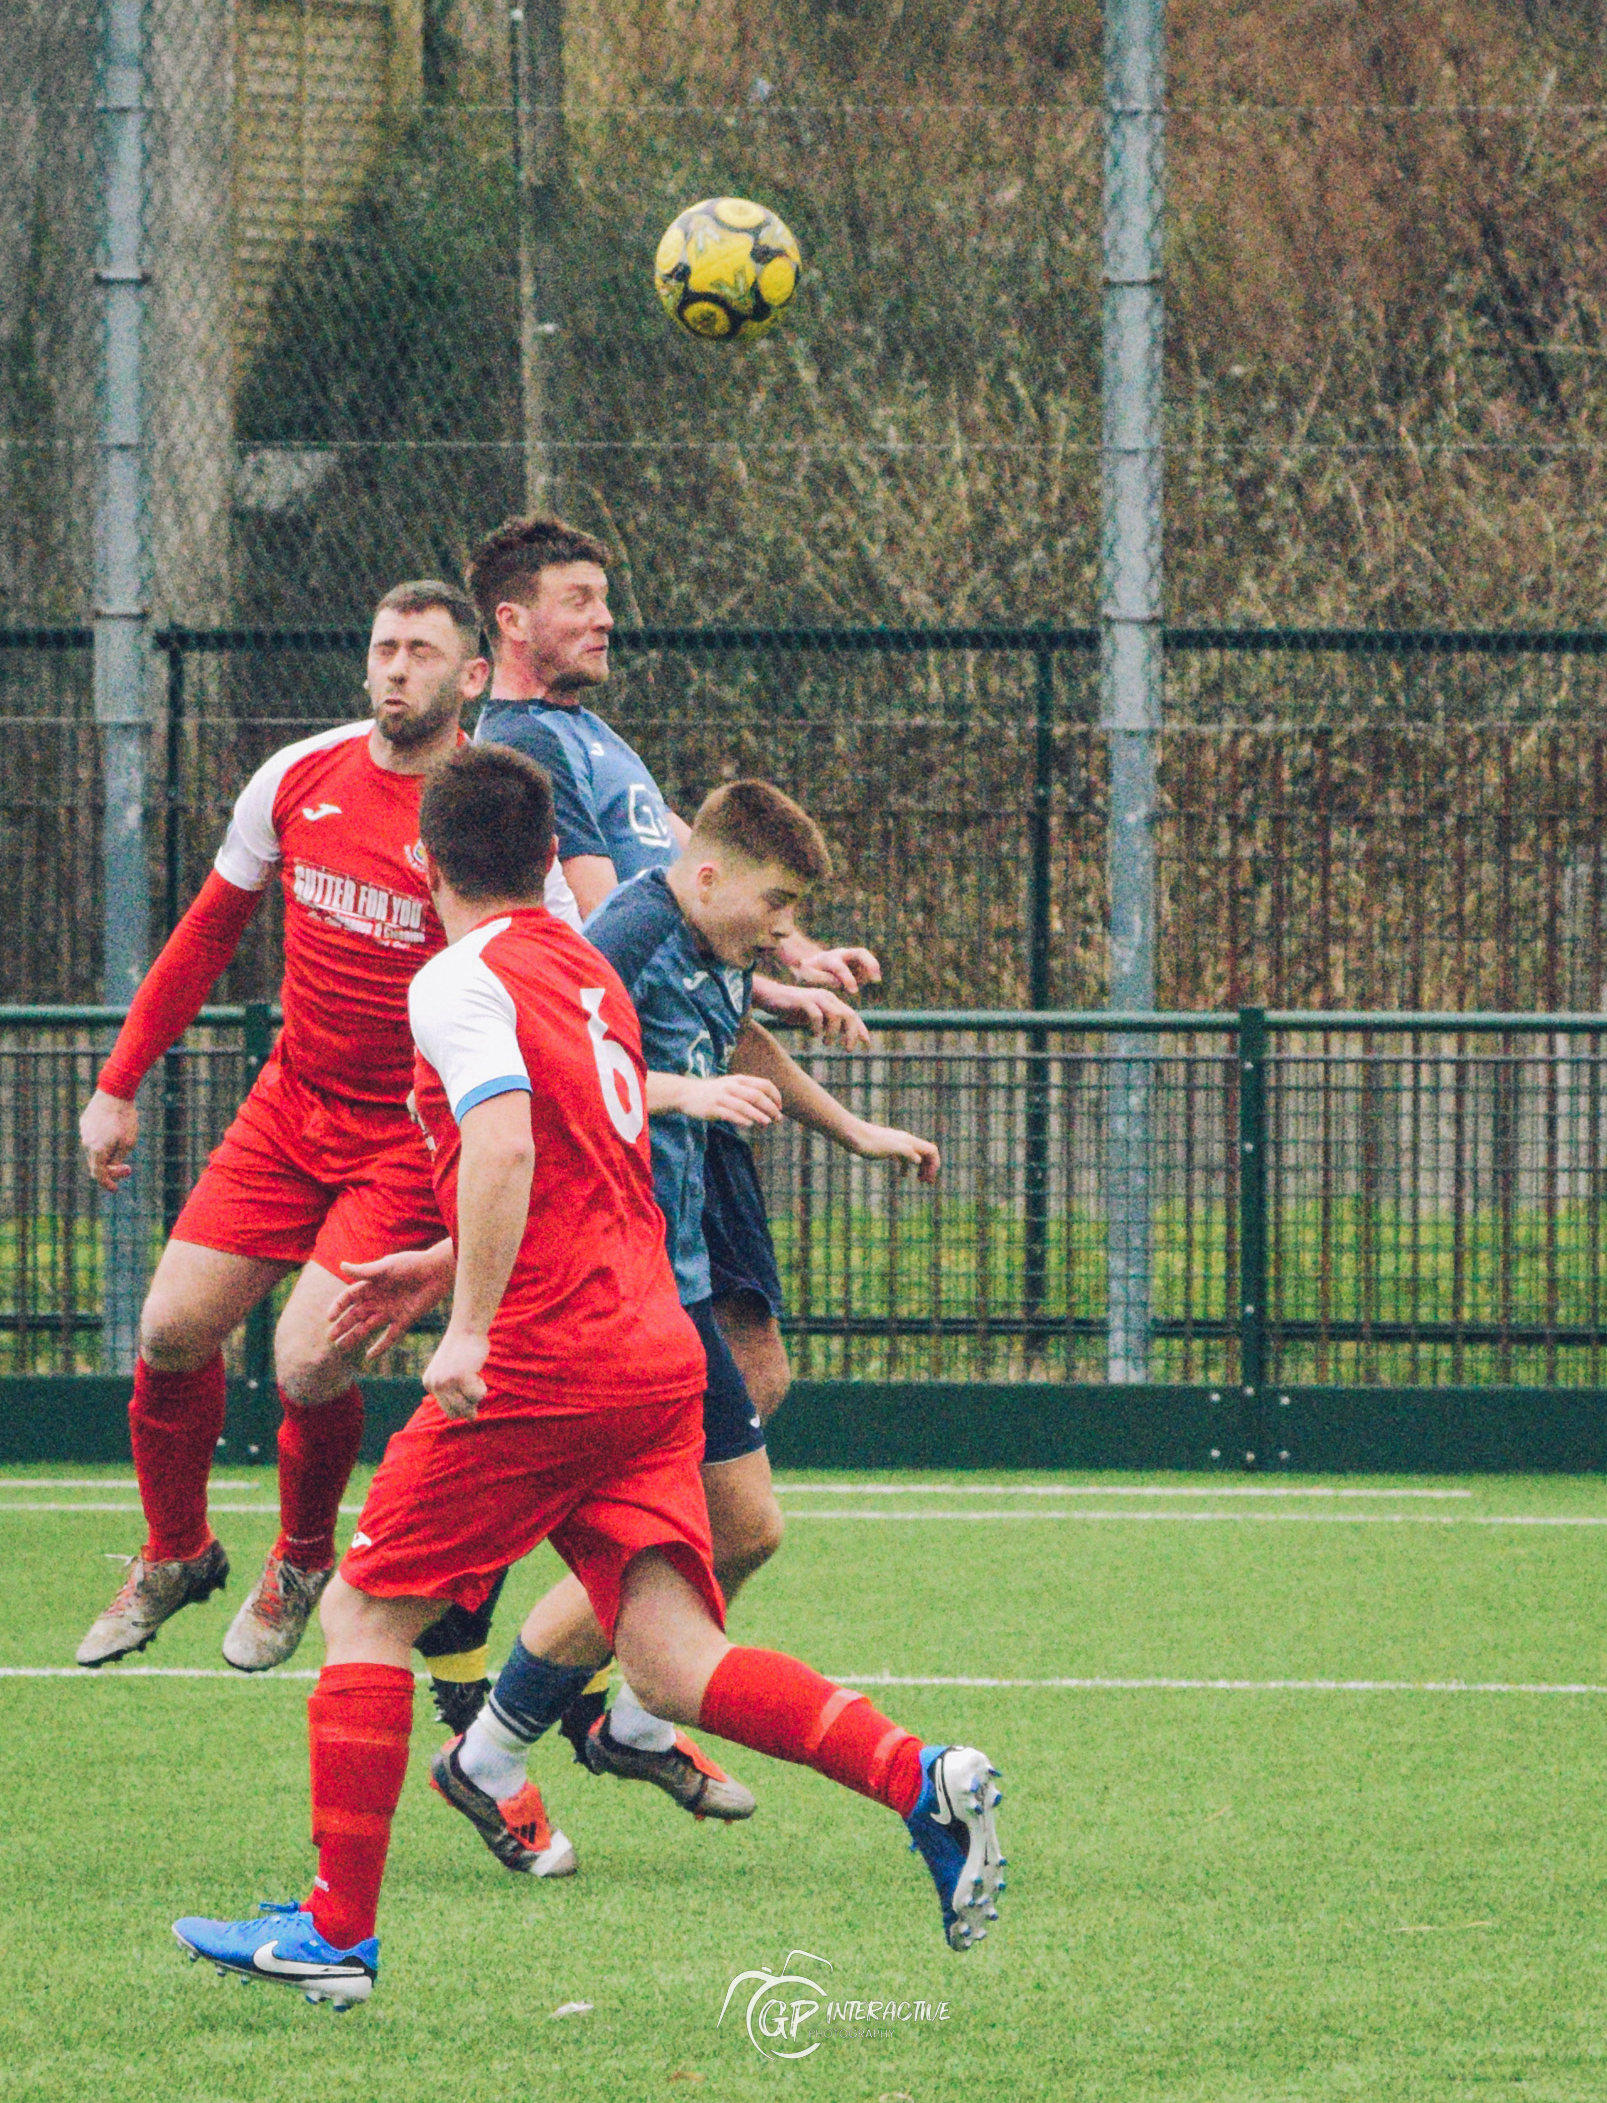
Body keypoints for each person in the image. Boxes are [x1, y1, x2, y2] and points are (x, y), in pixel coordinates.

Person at [171, 744, 1003, 2009]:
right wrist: (437, 1265)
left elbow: (505, 1147)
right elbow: (582, 1161)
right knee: (670, 1663)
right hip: (652, 1347)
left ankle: (335, 1931)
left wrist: (468, 1324)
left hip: (547, 1356)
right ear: (546, 855)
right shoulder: (581, 968)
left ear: (426, 860)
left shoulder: (457, 978)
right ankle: (919, 1778)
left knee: (365, 1615)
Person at [349, 514, 883, 1735]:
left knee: (740, 1425)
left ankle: (559, 1692)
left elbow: (703, 876)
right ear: (510, 623)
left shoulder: (596, 737)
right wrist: (716, 1027)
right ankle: (541, 1680)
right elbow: (616, 952)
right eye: (579, 597)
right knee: (698, 1489)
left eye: (604, 594)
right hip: (644, 1126)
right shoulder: (533, 749)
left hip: (674, 1115)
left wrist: (782, 960)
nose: (604, 617)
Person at [413, 776, 940, 1864]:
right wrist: (680, 1095)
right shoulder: (628, 935)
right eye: (775, 904)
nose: (784, 931)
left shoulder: (713, 940)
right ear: (705, 875)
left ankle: (544, 1740)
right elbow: (559, 1075)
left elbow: (733, 1039)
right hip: (615, 1282)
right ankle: (533, 1740)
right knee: (720, 1532)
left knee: (727, 1527)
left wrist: (854, 1130)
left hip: (668, 1272)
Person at [73, 583, 575, 1675]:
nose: (396, 667)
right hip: (287, 1109)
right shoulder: (299, 775)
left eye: (422, 651)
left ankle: (302, 1560)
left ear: (471, 677)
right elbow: (206, 934)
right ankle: (175, 1551)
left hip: (406, 1139)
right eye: (384, 646)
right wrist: (118, 1082)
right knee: (168, 1332)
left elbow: (558, 976)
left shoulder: (491, 815)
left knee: (306, 1363)